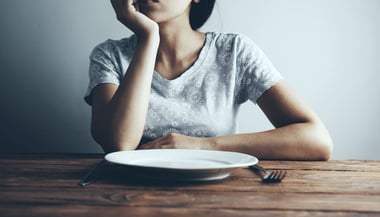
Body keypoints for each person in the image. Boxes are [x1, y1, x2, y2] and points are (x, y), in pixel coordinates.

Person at [84, 0, 333, 160]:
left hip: (221, 193)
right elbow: (118, 144)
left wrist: (203, 146)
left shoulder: (234, 51)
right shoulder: (109, 55)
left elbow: (317, 140)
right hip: (129, 194)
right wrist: (150, 38)